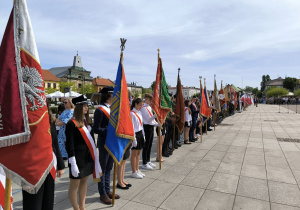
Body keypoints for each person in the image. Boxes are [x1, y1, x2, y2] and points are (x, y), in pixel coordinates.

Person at [22, 106, 65, 210]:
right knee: (33, 204)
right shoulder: (25, 121)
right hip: (33, 169)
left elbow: (54, 144)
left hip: (50, 166)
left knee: (48, 202)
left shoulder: (50, 121)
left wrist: (61, 165)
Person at [65, 95, 99, 210]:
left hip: (87, 157)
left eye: (87, 105)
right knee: (74, 185)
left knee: (84, 182)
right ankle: (76, 208)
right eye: (84, 105)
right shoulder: (71, 123)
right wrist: (72, 162)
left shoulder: (87, 121)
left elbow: (92, 140)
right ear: (79, 107)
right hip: (77, 159)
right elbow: (69, 145)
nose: (86, 108)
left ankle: (82, 207)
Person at [93, 86, 120, 205]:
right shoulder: (100, 110)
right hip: (104, 143)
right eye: (113, 94)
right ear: (108, 96)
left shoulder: (112, 109)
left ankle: (108, 190)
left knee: (109, 168)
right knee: (102, 169)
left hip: (112, 142)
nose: (115, 96)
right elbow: (96, 129)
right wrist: (109, 129)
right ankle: (102, 193)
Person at [140, 93, 160, 170]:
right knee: (146, 145)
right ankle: (144, 163)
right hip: (146, 127)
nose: (150, 101)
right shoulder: (144, 107)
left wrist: (157, 124)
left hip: (150, 126)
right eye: (149, 99)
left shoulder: (149, 107)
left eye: (150, 100)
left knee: (150, 144)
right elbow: (148, 119)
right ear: (146, 99)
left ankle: (148, 160)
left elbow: (152, 120)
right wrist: (156, 115)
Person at [130, 98, 146, 179]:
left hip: (140, 133)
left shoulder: (139, 112)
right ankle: (133, 171)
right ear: (135, 104)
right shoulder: (132, 113)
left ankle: (137, 169)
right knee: (134, 154)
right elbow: (132, 127)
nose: (141, 106)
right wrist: (134, 139)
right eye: (140, 105)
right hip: (135, 134)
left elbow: (141, 125)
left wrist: (143, 135)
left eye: (142, 105)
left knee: (139, 152)